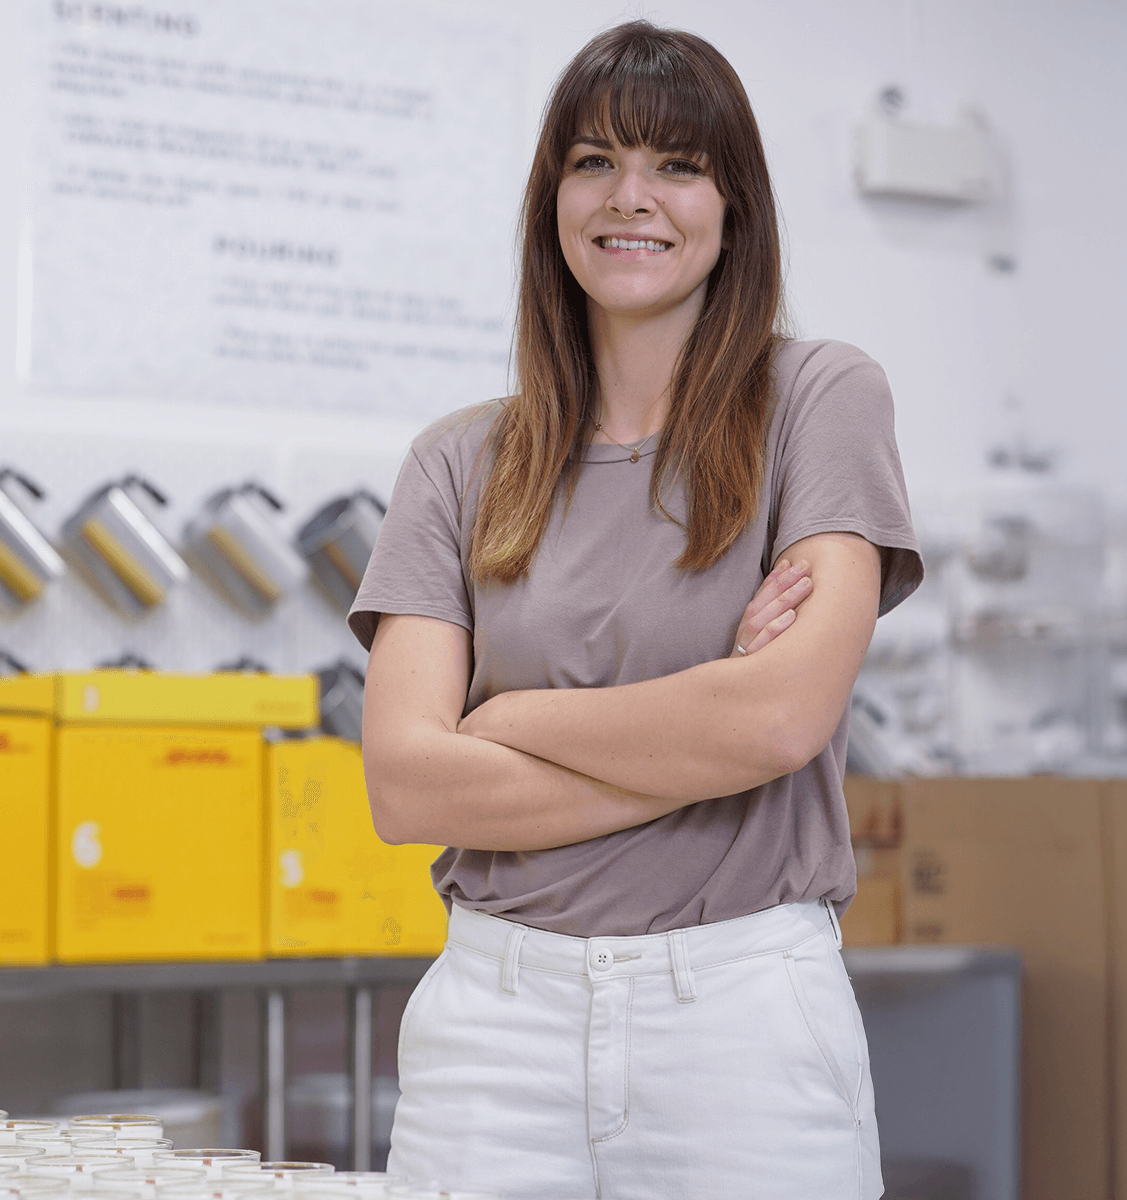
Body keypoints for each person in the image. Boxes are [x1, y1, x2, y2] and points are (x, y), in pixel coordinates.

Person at [348, 20, 924, 1200]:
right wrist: (701, 723)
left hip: (739, 1018)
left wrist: (503, 722)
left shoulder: (819, 401)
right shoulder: (459, 463)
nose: (632, 198)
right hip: (493, 1031)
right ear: (551, 196)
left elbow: (776, 725)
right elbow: (406, 786)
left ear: (734, 206)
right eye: (595, 160)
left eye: (677, 165)